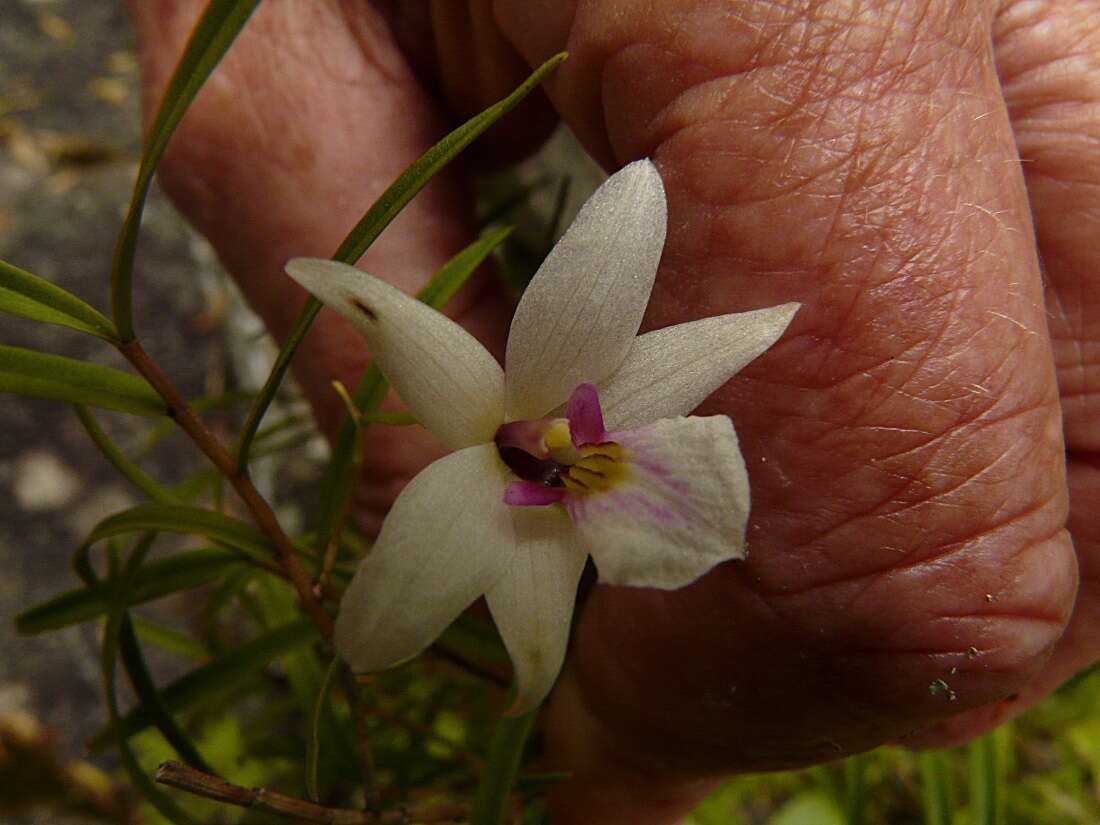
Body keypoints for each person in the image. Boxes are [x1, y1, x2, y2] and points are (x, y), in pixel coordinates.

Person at [126, 2, 1100, 823]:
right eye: (554, 458)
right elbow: (403, 610)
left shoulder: (567, 439)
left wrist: (533, 670)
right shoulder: (498, 466)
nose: (555, 454)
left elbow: (671, 277)